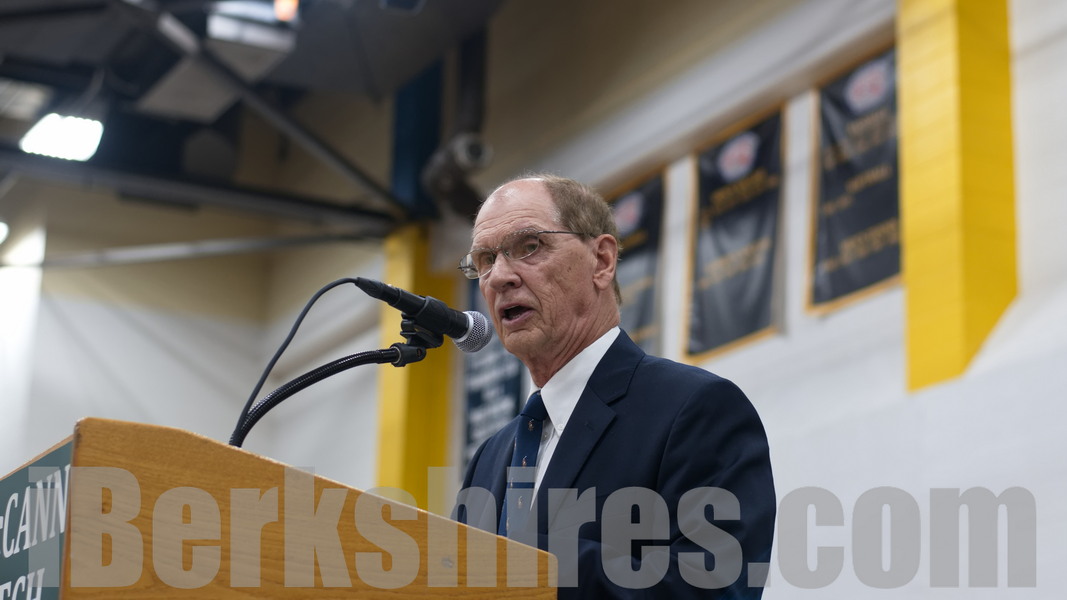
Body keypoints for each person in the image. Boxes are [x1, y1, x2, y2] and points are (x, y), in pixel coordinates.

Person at [454, 174, 775, 598]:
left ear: (602, 261)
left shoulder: (696, 408)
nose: (498, 277)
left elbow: (714, 586)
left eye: (529, 246)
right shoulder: (490, 457)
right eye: (484, 260)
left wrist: (530, 565)